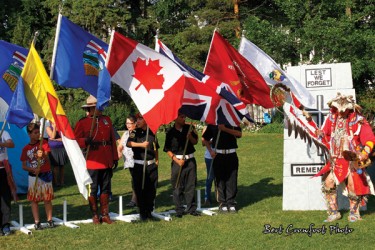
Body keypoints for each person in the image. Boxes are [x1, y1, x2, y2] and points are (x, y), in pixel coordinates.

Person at [316, 93, 375, 222]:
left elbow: (369, 138)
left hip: (351, 160)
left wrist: (365, 152)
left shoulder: (358, 120)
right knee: (328, 182)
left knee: (353, 184)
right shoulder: (331, 119)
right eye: (338, 110)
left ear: (349, 109)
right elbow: (324, 133)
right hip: (335, 159)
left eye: (344, 110)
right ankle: (333, 212)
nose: (341, 113)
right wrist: (320, 134)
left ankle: (354, 212)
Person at [74, 95, 119, 224]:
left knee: (105, 188)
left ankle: (105, 214)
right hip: (92, 160)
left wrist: (114, 158)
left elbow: (111, 140)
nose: (101, 109)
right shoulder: (82, 122)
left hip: (106, 160)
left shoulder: (106, 120)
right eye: (98, 107)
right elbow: (75, 140)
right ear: (91, 108)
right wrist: (84, 141)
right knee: (92, 189)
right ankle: (95, 215)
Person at [164, 112, 199, 217]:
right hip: (177, 161)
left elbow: (196, 142)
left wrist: (190, 138)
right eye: (182, 117)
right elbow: (167, 149)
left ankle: (191, 208)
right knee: (177, 185)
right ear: (175, 118)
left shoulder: (189, 128)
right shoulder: (170, 132)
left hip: (190, 160)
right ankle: (179, 209)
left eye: (185, 116)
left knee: (191, 185)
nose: (184, 118)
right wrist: (177, 160)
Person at [21, 123, 54, 230]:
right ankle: (37, 222)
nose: (38, 134)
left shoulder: (43, 143)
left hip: (45, 174)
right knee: (34, 200)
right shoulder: (26, 149)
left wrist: (43, 154)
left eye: (39, 132)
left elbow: (48, 155)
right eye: (35, 133)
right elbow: (24, 166)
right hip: (33, 177)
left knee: (47, 198)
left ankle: (49, 220)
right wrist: (32, 169)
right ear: (29, 134)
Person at [202, 124, 242, 213]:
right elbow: (205, 139)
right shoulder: (213, 124)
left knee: (232, 178)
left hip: (231, 154)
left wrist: (225, 129)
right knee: (220, 179)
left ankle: (231, 202)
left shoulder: (232, 121)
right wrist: (210, 151)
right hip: (218, 155)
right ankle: (222, 203)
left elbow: (239, 134)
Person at [127, 113, 159, 221]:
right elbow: (129, 143)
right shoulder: (135, 132)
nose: (138, 121)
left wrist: (157, 160)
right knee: (140, 189)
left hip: (151, 164)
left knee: (151, 189)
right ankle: (142, 212)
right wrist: (141, 145)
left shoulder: (152, 132)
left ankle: (149, 211)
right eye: (137, 119)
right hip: (139, 165)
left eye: (140, 119)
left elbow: (155, 147)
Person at [117, 114, 137, 207]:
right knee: (134, 179)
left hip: (136, 160)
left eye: (130, 123)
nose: (128, 125)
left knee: (136, 180)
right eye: (127, 123)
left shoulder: (136, 133)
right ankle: (136, 199)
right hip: (129, 161)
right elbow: (120, 145)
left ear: (135, 123)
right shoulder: (125, 134)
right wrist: (119, 151)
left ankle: (134, 200)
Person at [0, 130, 15, 236]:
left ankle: (5, 225)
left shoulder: (3, 132)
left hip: (2, 169)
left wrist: (1, 143)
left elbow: (11, 144)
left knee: (5, 198)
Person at [46, 121, 69, 187]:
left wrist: (56, 140)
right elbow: (52, 136)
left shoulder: (61, 128)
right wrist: (54, 128)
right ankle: (55, 182)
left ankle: (62, 181)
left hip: (62, 148)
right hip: (53, 149)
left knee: (62, 166)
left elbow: (65, 138)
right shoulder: (48, 128)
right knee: (55, 166)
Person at [202, 126, 214, 206]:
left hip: (220, 155)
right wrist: (212, 141)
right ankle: (207, 198)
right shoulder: (206, 128)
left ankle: (220, 197)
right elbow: (203, 142)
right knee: (210, 177)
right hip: (210, 156)